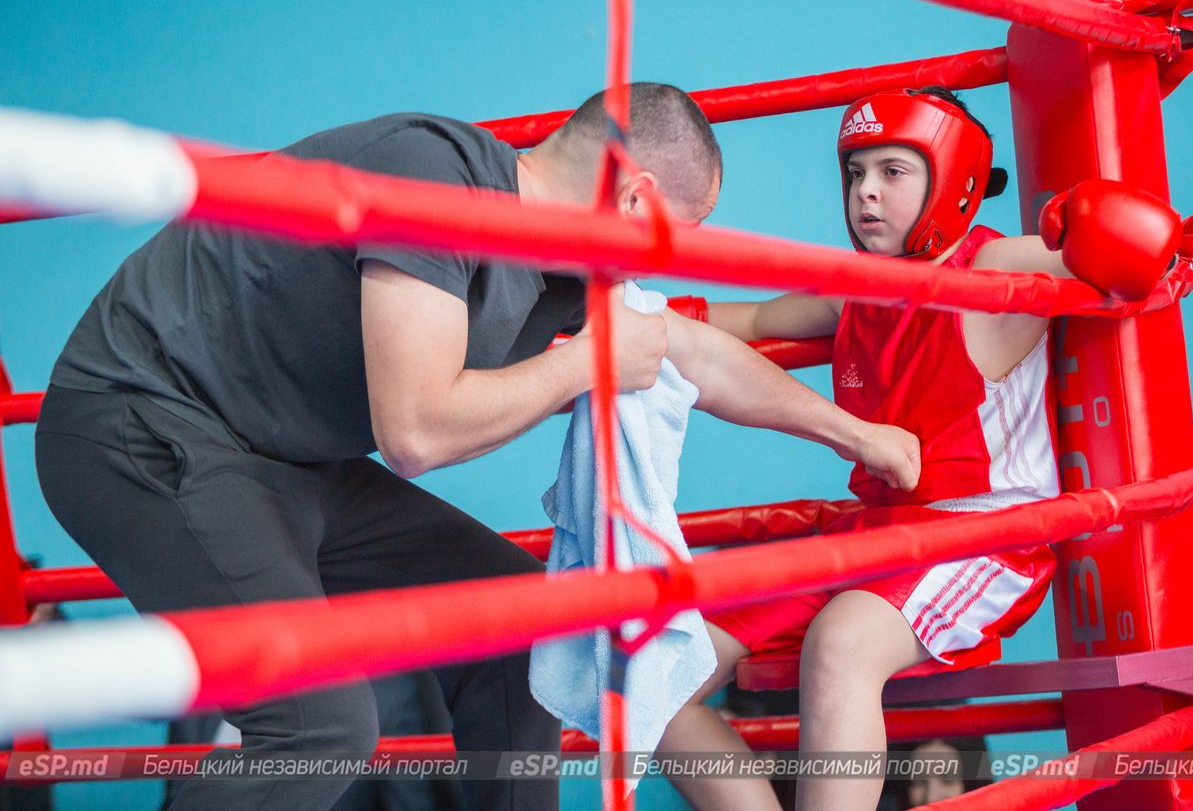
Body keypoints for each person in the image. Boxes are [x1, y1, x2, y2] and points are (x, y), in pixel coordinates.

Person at [32, 83, 919, 811]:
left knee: (512, 630)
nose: (654, 268)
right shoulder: (438, 180)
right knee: (319, 725)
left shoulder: (557, 273)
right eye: (664, 238)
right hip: (140, 426)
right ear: (633, 198)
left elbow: (697, 349)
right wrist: (586, 368)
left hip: (280, 460)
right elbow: (414, 433)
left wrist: (857, 419)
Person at [656, 86, 1182, 810]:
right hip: (875, 534)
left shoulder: (996, 268)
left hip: (984, 534)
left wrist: (1101, 230)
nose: (866, 192)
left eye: (893, 172)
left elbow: (1141, 248)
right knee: (654, 675)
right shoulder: (857, 291)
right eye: (855, 173)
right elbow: (749, 316)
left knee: (842, 642)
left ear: (953, 179)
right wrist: (627, 312)